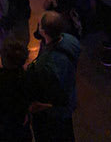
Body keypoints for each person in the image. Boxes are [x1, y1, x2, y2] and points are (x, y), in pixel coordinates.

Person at [25, 11, 81, 142]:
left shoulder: (44, 65)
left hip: (53, 112)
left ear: (43, 31)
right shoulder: (71, 40)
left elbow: (45, 91)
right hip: (70, 94)